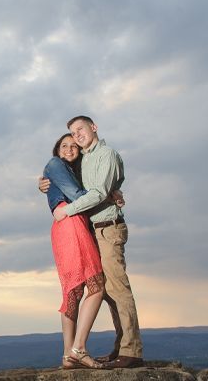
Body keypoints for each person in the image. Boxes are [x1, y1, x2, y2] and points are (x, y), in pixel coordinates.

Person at [41, 115, 143, 368]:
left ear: (94, 128)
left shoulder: (105, 154)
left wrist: (106, 197)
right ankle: (113, 348)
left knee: (115, 289)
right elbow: (81, 189)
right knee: (104, 291)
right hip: (88, 229)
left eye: (79, 131)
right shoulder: (79, 161)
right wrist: (47, 184)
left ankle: (130, 351)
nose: (76, 137)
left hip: (106, 228)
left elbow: (94, 193)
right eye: (72, 135)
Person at [44, 133, 106, 369]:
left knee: (73, 292)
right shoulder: (55, 164)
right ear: (57, 149)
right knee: (96, 285)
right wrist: (106, 197)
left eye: (74, 146)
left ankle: (68, 355)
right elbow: (77, 196)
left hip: (64, 226)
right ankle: (79, 348)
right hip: (70, 222)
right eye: (64, 145)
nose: (70, 149)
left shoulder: (68, 170)